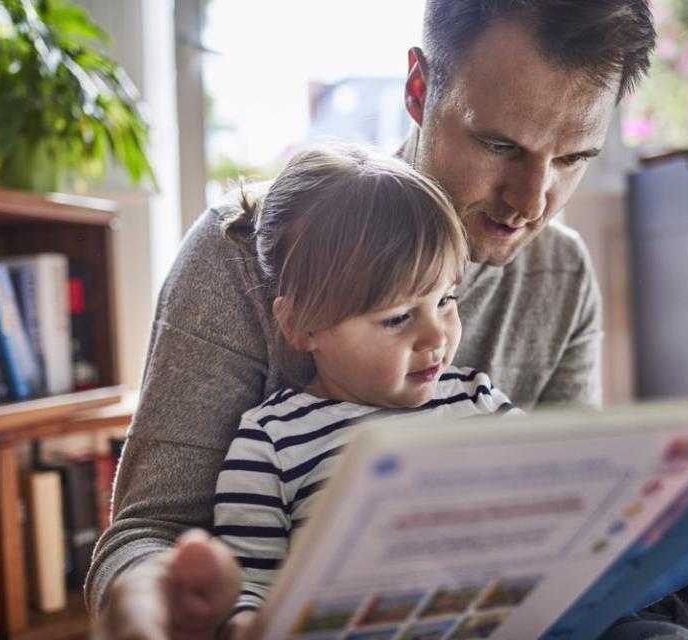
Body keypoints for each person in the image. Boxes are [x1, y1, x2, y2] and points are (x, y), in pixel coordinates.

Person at [90, 2, 688, 639]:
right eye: (501, 145)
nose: (533, 199)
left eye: (574, 157)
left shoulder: (561, 272)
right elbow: (147, 530)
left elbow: (584, 537)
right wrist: (154, 602)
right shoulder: (244, 253)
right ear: (418, 87)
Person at [206, 144, 519, 638]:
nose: (437, 336)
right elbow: (249, 586)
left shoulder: (477, 399)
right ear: (302, 325)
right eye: (397, 318)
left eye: (446, 300)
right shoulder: (271, 443)